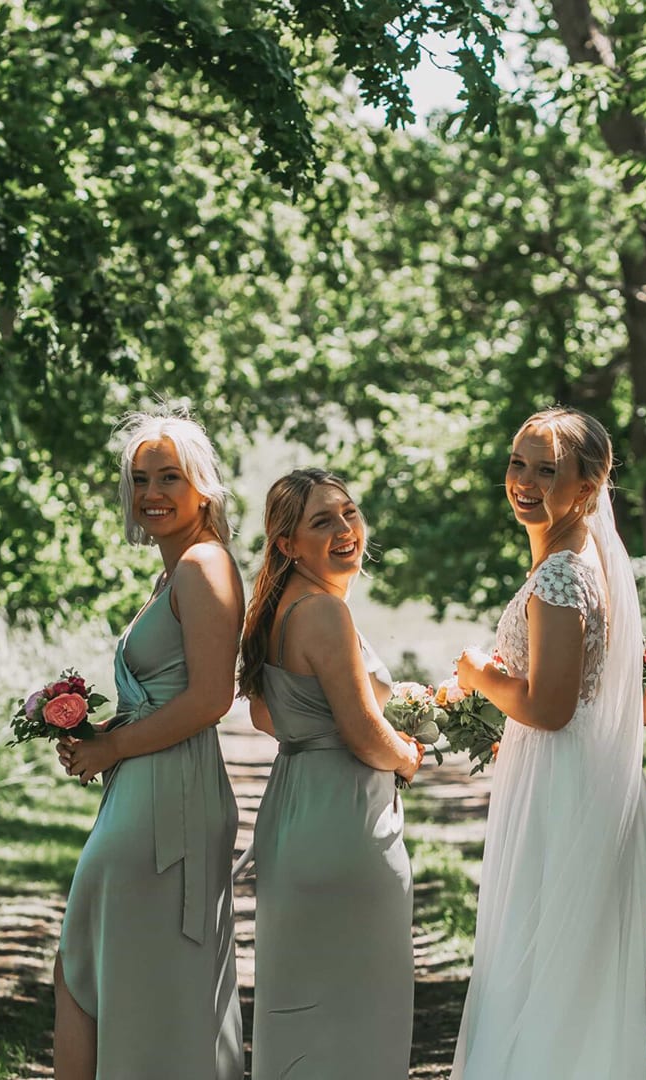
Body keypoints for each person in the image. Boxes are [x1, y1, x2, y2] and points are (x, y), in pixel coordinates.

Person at [452, 407, 646, 1078]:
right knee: (556, 964)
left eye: (547, 470)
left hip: (562, 783)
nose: (524, 482)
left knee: (540, 957)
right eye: (518, 464)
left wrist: (479, 677)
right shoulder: (578, 556)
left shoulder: (563, 572)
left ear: (587, 487)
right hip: (571, 770)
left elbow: (550, 707)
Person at [52, 408, 245, 1080]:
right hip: (145, 786)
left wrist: (113, 750)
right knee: (96, 966)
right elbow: (172, 692)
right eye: (140, 479)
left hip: (170, 799)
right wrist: (99, 734)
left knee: (109, 970)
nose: (151, 493)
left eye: (169, 477)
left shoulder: (204, 566)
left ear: (202, 488)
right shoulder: (173, 573)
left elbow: (211, 698)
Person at [241, 467, 424, 1079]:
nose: (345, 529)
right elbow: (364, 734)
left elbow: (267, 716)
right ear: (288, 543)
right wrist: (407, 755)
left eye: (348, 513)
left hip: (294, 812)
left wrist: (313, 732)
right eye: (322, 521)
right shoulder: (323, 611)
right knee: (362, 1007)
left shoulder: (277, 607)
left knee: (302, 1001)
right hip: (345, 823)